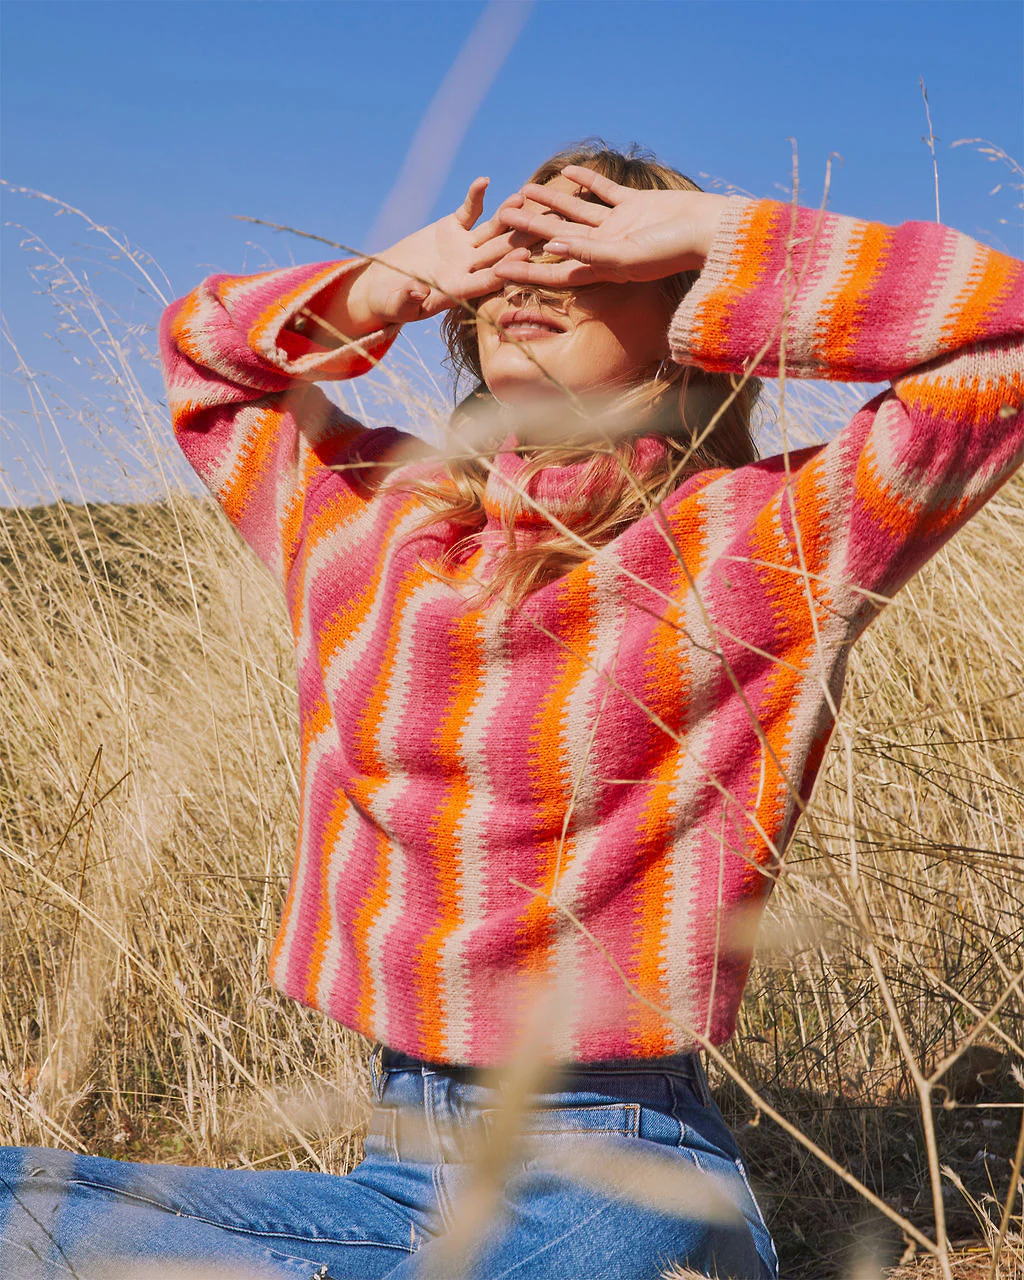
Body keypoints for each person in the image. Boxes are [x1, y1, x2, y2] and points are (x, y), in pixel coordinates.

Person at [2, 140, 1021, 1280]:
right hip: (407, 1155)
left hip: (609, 1153)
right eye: (512, 255)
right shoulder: (375, 518)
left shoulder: (766, 537)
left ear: (687, 310)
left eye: (588, 250)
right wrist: (381, 284)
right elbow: (206, 364)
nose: (530, 279)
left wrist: (718, 236)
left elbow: (1004, 346)